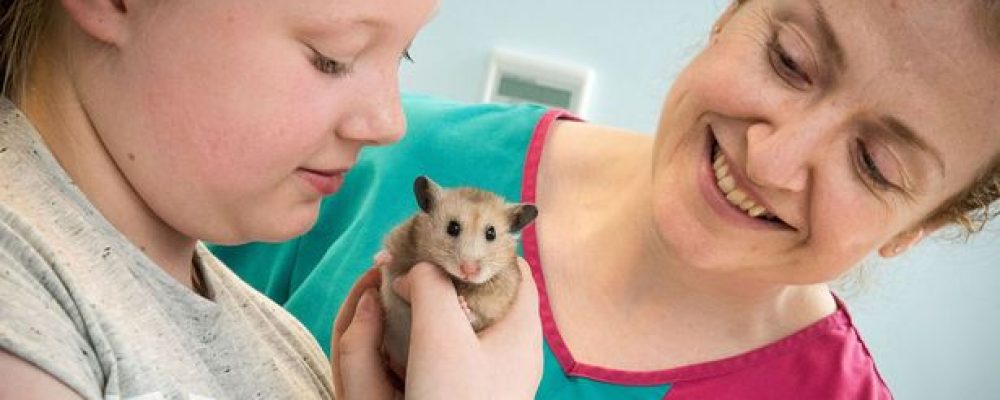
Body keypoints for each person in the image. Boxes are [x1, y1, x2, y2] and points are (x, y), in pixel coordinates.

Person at [212, 0, 1000, 398]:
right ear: (731, 15)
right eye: (790, 60)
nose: (774, 158)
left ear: (920, 226)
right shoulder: (366, 157)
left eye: (874, 164)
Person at [0, 0, 544, 399]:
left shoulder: (276, 340)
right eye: (333, 57)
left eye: (402, 56)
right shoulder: (23, 311)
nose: (389, 123)